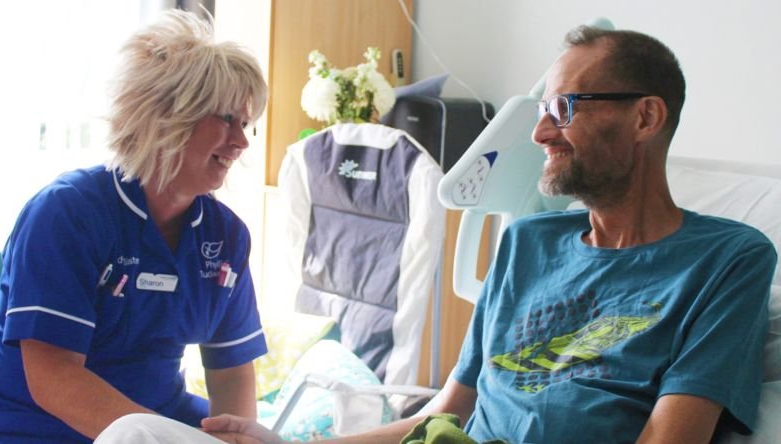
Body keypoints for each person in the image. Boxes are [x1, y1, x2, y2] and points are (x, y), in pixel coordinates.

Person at [93, 25, 778, 444]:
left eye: (563, 108)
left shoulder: (726, 260)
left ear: (646, 117)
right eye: (542, 110)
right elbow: (444, 412)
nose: (540, 132)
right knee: (134, 434)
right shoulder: (528, 245)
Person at [0, 8, 269, 443]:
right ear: (166, 114)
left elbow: (231, 372)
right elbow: (53, 377)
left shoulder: (225, 236)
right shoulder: (67, 215)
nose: (242, 141)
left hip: (156, 423)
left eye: (245, 124)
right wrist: (164, 438)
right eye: (226, 119)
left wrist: (231, 438)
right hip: (39, 431)